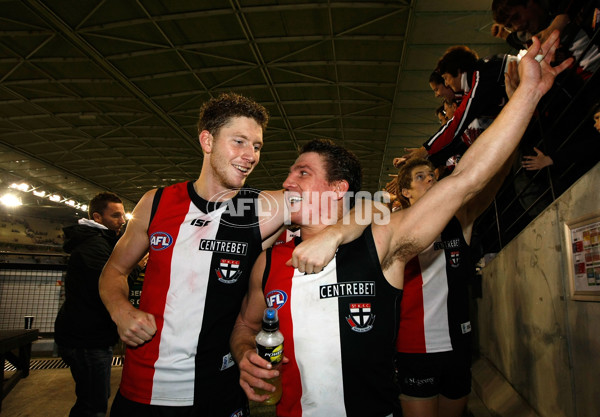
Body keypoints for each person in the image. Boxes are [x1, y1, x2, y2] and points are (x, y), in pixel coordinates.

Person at [230, 31, 572, 417]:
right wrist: (244, 354)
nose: (288, 182)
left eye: (302, 173)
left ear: (338, 188)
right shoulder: (270, 262)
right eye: (290, 174)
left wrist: (526, 94)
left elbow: (465, 181)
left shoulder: (381, 243)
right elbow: (245, 325)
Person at [99, 92, 364, 417]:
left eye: (256, 146)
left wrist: (336, 234)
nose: (250, 155)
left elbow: (364, 204)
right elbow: (113, 270)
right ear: (207, 140)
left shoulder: (259, 209)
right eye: (239, 142)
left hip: (220, 389)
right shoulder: (155, 203)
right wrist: (120, 309)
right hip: (145, 386)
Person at [394, 158, 509, 417]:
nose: (430, 179)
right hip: (415, 348)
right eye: (420, 177)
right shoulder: (396, 228)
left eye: (431, 175)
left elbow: (484, 189)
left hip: (458, 345)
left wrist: (506, 157)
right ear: (405, 192)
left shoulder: (458, 221)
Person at [54, 192, 126, 417]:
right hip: (86, 340)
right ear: (97, 217)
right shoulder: (93, 246)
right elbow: (111, 287)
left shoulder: (98, 242)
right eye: (115, 216)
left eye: (123, 215)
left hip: (88, 336)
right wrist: (136, 267)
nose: (122, 221)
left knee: (93, 399)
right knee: (93, 406)